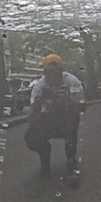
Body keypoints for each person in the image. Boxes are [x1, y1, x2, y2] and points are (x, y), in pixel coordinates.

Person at [23, 53, 83, 181]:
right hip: (48, 119)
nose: (53, 74)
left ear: (61, 71)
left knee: (72, 114)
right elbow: (31, 115)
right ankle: (45, 158)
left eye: (56, 71)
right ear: (45, 72)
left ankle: (71, 160)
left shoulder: (71, 81)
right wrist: (37, 105)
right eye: (49, 71)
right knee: (31, 136)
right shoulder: (39, 86)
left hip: (67, 120)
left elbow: (82, 104)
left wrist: (69, 99)